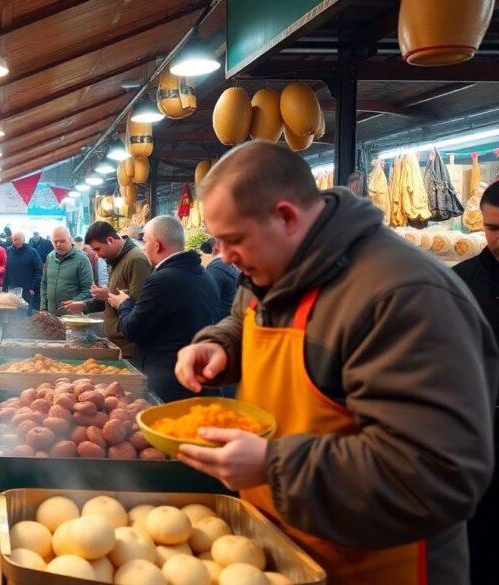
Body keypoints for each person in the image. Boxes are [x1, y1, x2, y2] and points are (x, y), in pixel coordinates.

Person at [173, 141, 497, 584]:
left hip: (373, 566)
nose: (224, 258)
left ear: (287, 217)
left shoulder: (404, 295)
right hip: (281, 548)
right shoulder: (267, 267)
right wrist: (221, 347)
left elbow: (435, 473)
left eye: (233, 240)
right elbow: (243, 318)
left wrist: (272, 465)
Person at [106, 217, 220, 402]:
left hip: (168, 385)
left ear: (157, 245)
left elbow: (133, 330)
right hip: (198, 380)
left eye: (145, 242)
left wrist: (123, 304)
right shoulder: (205, 275)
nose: (143, 248)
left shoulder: (161, 280)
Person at [452, 181, 499, 584]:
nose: (498, 238)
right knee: (477, 542)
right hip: (475, 436)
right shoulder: (459, 282)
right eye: (492, 227)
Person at [61, 221, 151, 359]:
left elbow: (140, 305)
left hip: (129, 348)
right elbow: (116, 297)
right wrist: (84, 305)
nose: (97, 255)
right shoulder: (116, 259)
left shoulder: (136, 259)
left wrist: (108, 294)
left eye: (97, 249)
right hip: (116, 344)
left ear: (110, 240)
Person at [40, 226, 93, 316]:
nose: (58, 244)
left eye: (62, 241)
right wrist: (43, 307)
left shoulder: (82, 259)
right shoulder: (50, 257)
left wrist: (75, 302)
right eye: (55, 241)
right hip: (51, 316)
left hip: (72, 317)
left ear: (70, 239)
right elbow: (44, 283)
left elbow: (88, 289)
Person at [202, 236, 240, 319]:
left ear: (215, 249)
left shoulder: (217, 269)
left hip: (221, 321)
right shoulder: (234, 265)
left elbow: (209, 301)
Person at [2, 231, 42, 310]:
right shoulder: (10, 251)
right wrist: (4, 287)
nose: (15, 242)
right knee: (14, 314)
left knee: (29, 315)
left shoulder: (32, 252)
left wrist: (33, 287)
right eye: (13, 240)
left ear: (23, 239)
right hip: (13, 290)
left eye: (17, 240)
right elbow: (7, 270)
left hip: (28, 291)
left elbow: (38, 271)